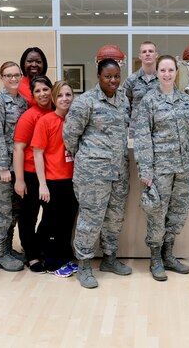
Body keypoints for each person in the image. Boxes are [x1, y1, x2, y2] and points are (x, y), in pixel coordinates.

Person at [64, 58, 131, 289]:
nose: (113, 80)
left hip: (119, 171)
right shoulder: (85, 102)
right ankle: (84, 265)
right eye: (108, 76)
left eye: (116, 76)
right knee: (90, 220)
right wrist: (89, 158)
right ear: (98, 77)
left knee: (114, 219)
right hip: (92, 174)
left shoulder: (123, 100)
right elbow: (70, 136)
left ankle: (109, 259)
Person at [134, 55, 189, 281]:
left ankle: (169, 255)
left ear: (176, 72)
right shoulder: (149, 101)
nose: (167, 74)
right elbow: (143, 137)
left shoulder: (185, 100)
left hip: (182, 168)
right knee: (157, 213)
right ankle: (155, 258)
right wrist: (146, 171)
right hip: (159, 169)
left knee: (177, 213)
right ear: (157, 73)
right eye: (162, 70)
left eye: (170, 70)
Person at [32, 81, 79, 278]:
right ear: (53, 99)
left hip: (72, 181)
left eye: (68, 95)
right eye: (60, 95)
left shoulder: (75, 121)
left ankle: (65, 257)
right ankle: (51, 262)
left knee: (67, 223)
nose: (65, 99)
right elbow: (37, 153)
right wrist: (42, 184)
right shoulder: (46, 121)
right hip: (53, 182)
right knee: (52, 223)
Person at [0, 61, 28, 272]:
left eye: (16, 75)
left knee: (14, 211)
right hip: (1, 169)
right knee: (1, 212)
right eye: (8, 75)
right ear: (1, 78)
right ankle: (0, 252)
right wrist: (2, 167)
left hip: (18, 167)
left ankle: (8, 248)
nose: (13, 79)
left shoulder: (22, 102)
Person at [13, 76, 54, 273]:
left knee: (50, 216)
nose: (42, 94)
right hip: (30, 174)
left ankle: (39, 246)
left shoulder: (57, 111)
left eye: (45, 89)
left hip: (52, 174)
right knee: (29, 217)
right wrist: (19, 180)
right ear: (33, 94)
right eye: (37, 91)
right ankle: (32, 255)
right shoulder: (30, 116)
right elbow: (18, 148)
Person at [122, 41, 159, 126]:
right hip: (137, 131)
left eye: (150, 51)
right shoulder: (131, 80)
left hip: (159, 131)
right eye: (144, 52)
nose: (147, 54)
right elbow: (125, 107)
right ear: (140, 56)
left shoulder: (164, 79)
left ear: (156, 55)